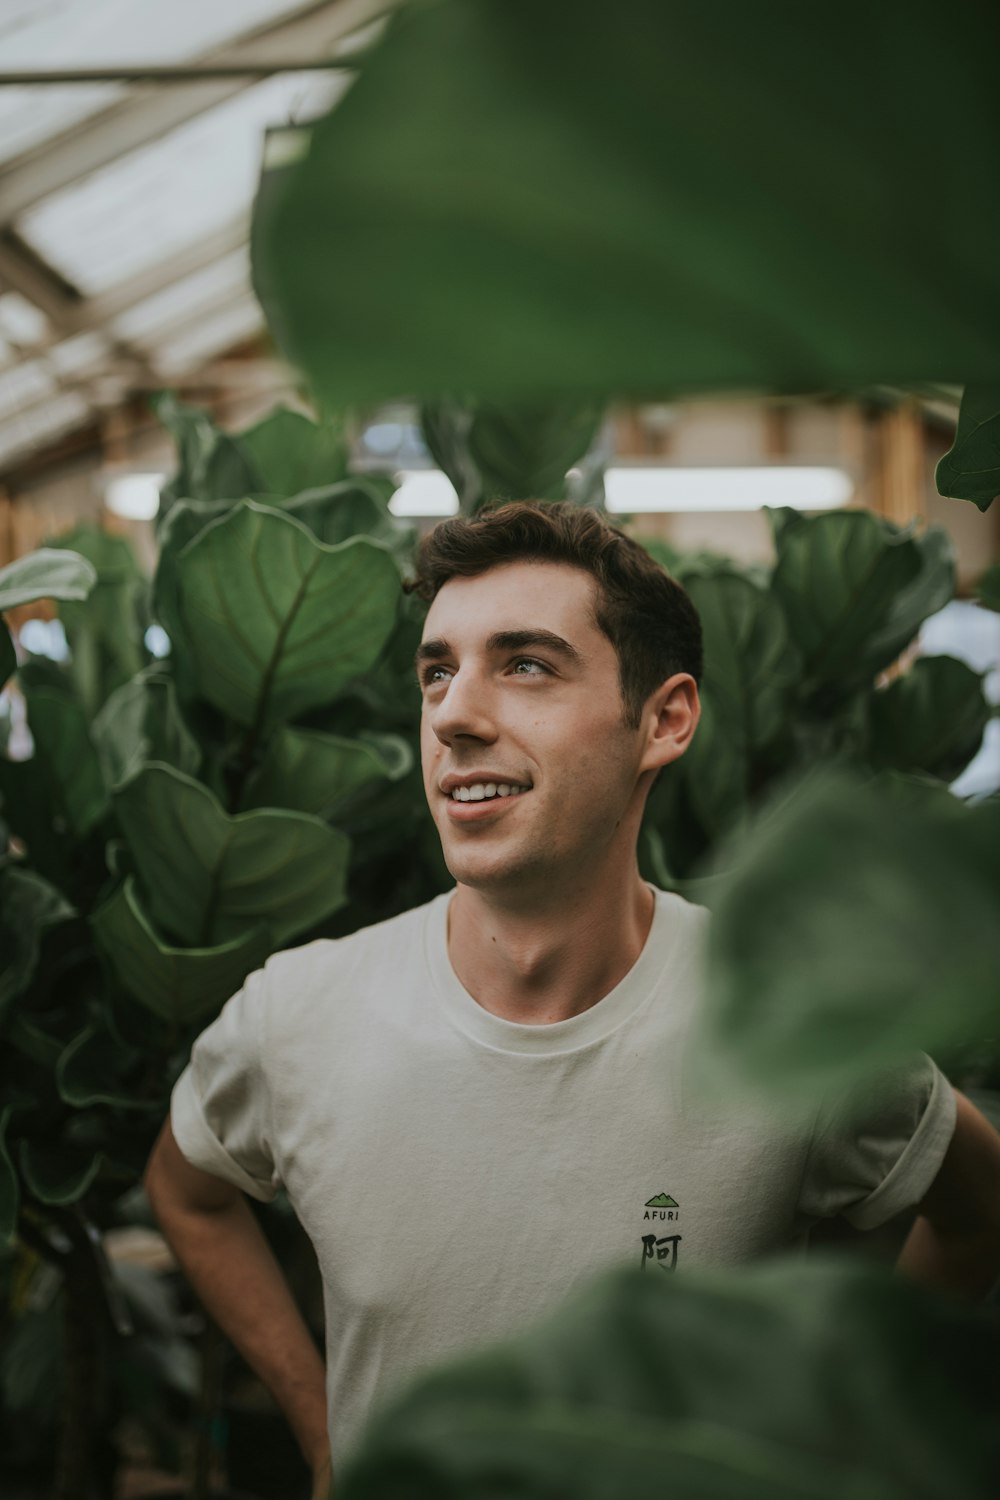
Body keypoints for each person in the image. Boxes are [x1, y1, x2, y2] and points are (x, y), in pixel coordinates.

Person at [145, 501, 1000, 1497]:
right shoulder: (297, 1015)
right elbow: (188, 1190)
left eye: (525, 665)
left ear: (664, 719)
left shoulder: (787, 1015)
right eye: (437, 670)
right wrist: (323, 1429)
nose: (455, 714)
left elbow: (982, 1210)